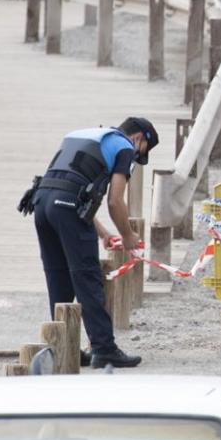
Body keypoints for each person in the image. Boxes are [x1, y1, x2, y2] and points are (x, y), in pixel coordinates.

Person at [23, 117, 159, 368]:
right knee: (87, 276)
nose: (136, 158)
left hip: (42, 202)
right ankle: (104, 348)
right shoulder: (124, 146)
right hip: (65, 206)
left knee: (58, 275)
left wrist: (104, 234)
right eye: (141, 153)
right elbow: (115, 200)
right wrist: (128, 236)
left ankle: (62, 346)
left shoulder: (83, 135)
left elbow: (71, 189)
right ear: (139, 138)